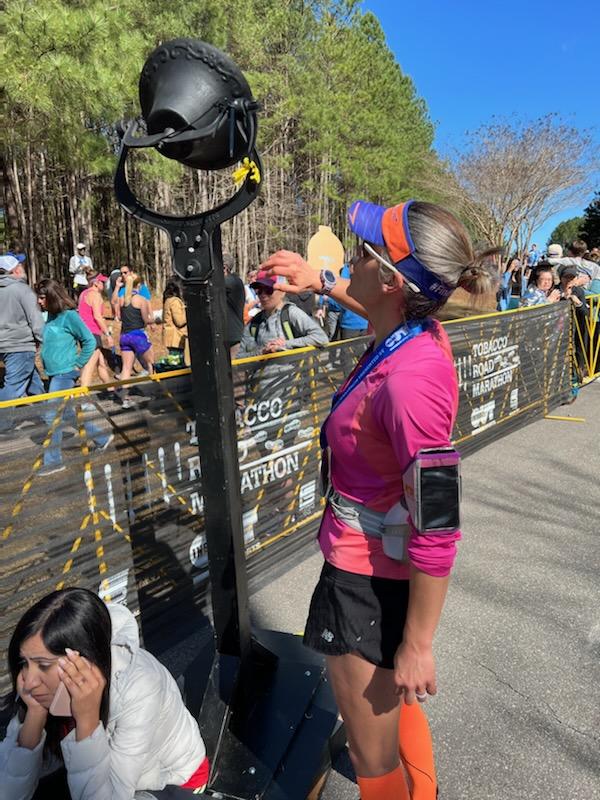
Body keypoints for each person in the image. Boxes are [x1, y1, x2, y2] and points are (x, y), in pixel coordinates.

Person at [260, 199, 497, 800]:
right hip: (373, 568)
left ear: (392, 279)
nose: (352, 258)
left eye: (363, 252)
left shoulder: (409, 382)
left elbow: (438, 523)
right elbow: (375, 306)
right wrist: (322, 282)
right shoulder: (415, 329)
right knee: (394, 709)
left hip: (364, 582)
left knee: (373, 759)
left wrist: (418, 645)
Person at [0, 587, 209, 799]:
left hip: (170, 781)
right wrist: (35, 715)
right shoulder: (38, 685)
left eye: (43, 665)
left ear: (82, 661)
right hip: (106, 775)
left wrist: (87, 718)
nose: (29, 682)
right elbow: (9, 793)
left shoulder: (141, 687)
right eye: (24, 662)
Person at [35, 279, 112, 475]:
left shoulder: (69, 316)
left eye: (42, 297)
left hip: (65, 373)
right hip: (53, 374)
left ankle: (53, 462)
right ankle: (101, 438)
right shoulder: (50, 316)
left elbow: (89, 341)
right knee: (67, 414)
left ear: (52, 297)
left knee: (52, 415)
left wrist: (78, 364)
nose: (39, 301)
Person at [237, 272, 328, 357]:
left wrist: (285, 345)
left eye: (268, 289)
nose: (263, 295)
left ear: (282, 291)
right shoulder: (254, 322)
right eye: (259, 290)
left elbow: (321, 338)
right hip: (260, 370)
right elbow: (239, 356)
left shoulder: (291, 313)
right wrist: (262, 352)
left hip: (291, 369)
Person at [0, 254, 45, 407]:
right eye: (20, 265)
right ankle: (3, 419)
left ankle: (48, 415)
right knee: (12, 388)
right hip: (20, 346)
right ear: (15, 270)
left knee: (35, 384)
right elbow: (36, 319)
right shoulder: (22, 290)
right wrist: (46, 341)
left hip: (5, 346)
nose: (23, 267)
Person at [118, 273, 155, 408]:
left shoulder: (122, 299)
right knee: (151, 364)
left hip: (124, 336)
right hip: (138, 335)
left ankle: (125, 399)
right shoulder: (141, 300)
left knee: (126, 368)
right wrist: (155, 319)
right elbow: (146, 319)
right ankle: (155, 393)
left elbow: (119, 317)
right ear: (138, 285)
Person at [77, 273, 114, 387]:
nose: (104, 284)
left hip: (83, 333)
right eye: (102, 282)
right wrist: (108, 334)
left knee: (101, 363)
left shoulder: (83, 294)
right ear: (96, 283)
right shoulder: (96, 295)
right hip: (92, 333)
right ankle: (83, 394)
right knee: (89, 365)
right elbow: (97, 317)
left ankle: (110, 388)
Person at [161, 278, 189, 366]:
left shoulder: (168, 300)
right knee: (177, 364)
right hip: (175, 338)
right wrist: (189, 312)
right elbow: (179, 321)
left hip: (171, 338)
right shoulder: (175, 301)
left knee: (175, 362)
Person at [223, 254, 246, 358]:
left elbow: (215, 284)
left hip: (233, 335)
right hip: (224, 335)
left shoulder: (233, 281)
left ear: (224, 268)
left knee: (234, 366)